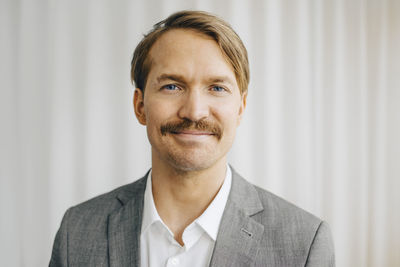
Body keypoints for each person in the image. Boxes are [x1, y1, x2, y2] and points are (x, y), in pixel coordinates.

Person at [49, 10, 335, 267]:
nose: (194, 111)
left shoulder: (305, 244)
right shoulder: (77, 232)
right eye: (172, 86)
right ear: (139, 106)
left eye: (217, 88)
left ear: (240, 108)